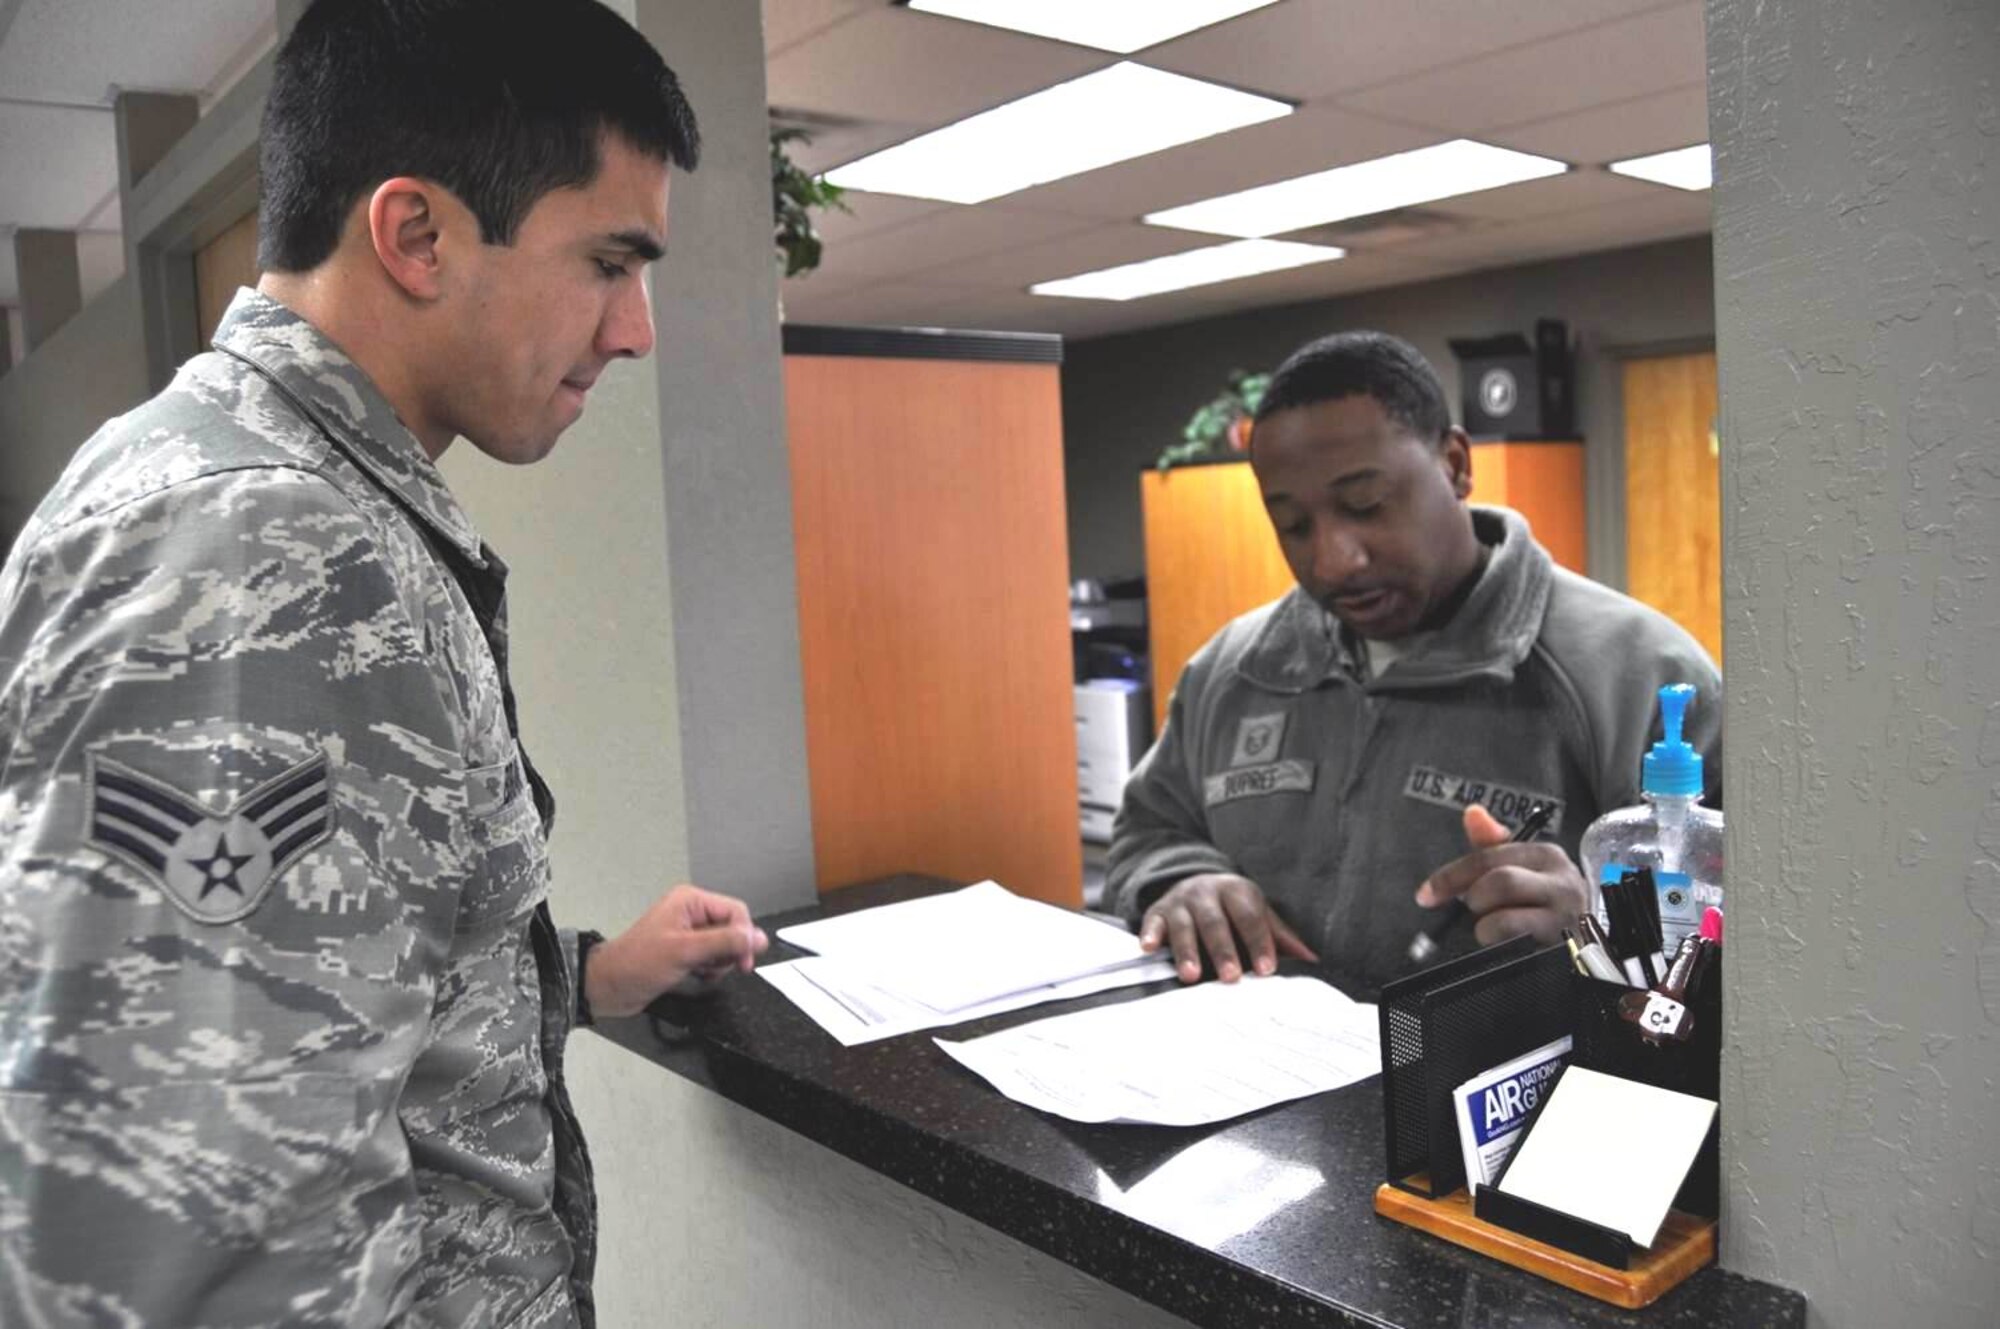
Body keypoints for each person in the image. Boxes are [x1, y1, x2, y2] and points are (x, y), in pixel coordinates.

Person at [0, 3, 767, 1325]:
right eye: (608, 262)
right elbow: (171, 1243)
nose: (636, 329)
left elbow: (323, 981)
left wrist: (578, 974)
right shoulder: (258, 546)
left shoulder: (257, 491)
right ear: (415, 234)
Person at [1108, 331, 1720, 1000]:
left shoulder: (1641, 676)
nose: (1334, 559)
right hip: (1261, 1088)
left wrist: (1597, 934)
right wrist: (1180, 878)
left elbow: (1754, 940)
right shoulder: (1234, 670)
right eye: (1294, 525)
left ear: (1456, 464)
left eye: (1366, 505)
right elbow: (1150, 827)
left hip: (1505, 1093)